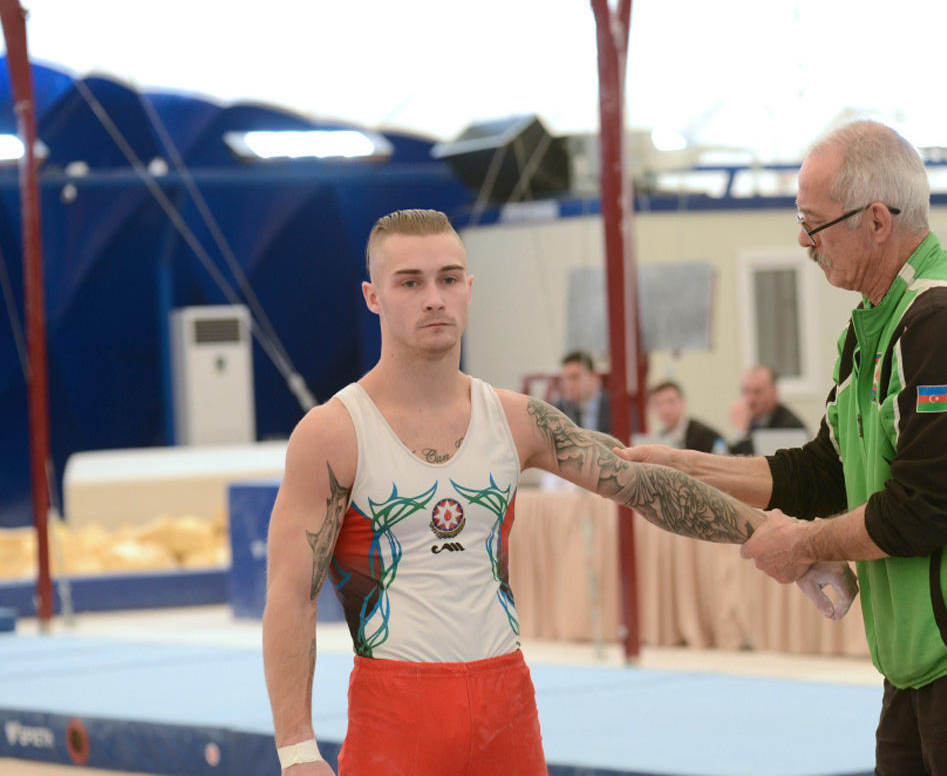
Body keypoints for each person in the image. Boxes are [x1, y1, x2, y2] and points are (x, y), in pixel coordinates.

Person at [261, 209, 857, 775]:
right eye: (409, 282)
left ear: (469, 287)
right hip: (395, 714)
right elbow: (291, 595)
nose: (433, 298)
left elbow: (642, 485)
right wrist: (296, 747)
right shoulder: (335, 433)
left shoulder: (518, 421)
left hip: (505, 708)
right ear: (372, 296)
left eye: (447, 279)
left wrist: (778, 536)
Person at [619, 121, 947, 775]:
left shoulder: (945, 324)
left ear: (879, 221)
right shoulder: (869, 332)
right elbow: (820, 474)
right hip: (916, 664)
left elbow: (922, 512)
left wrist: (803, 545)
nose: (804, 242)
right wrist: (681, 463)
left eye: (814, 222)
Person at [727, 365, 807, 455]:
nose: (750, 399)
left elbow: (757, 462)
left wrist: (741, 433)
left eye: (757, 392)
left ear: (774, 392)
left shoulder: (790, 426)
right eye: (746, 391)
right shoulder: (749, 420)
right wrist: (740, 431)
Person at [647, 380, 729, 454]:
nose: (665, 410)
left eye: (671, 402)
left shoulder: (706, 436)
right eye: (658, 404)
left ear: (683, 402)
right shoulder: (659, 439)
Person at [554, 350, 611, 434]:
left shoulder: (613, 406)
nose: (568, 385)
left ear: (593, 377)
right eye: (564, 379)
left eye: (574, 377)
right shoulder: (559, 410)